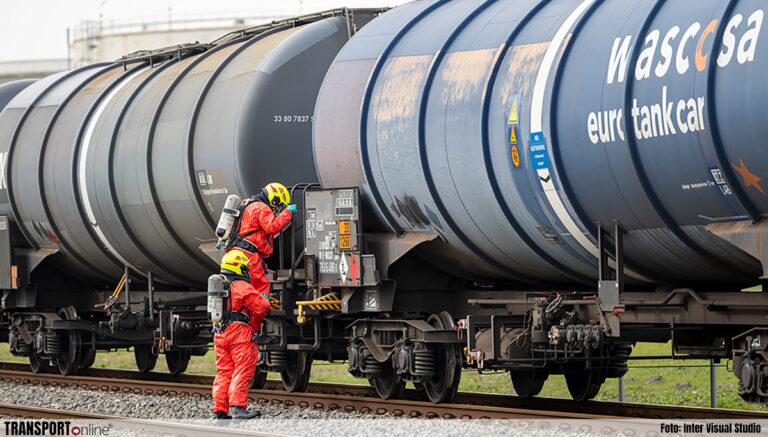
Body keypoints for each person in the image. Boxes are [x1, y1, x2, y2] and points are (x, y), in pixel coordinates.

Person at [212, 249, 271, 419]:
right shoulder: (242, 286)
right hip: (239, 334)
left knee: (224, 371)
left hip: (220, 333)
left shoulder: (219, 285)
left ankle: (220, 410)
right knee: (243, 367)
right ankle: (238, 407)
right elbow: (262, 306)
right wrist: (265, 297)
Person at [227, 182, 296, 297]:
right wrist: (287, 212)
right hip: (249, 256)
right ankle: (256, 312)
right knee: (260, 287)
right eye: (278, 205)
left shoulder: (248, 204)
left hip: (236, 252)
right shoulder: (262, 208)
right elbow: (272, 226)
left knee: (241, 287)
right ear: (274, 200)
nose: (276, 209)